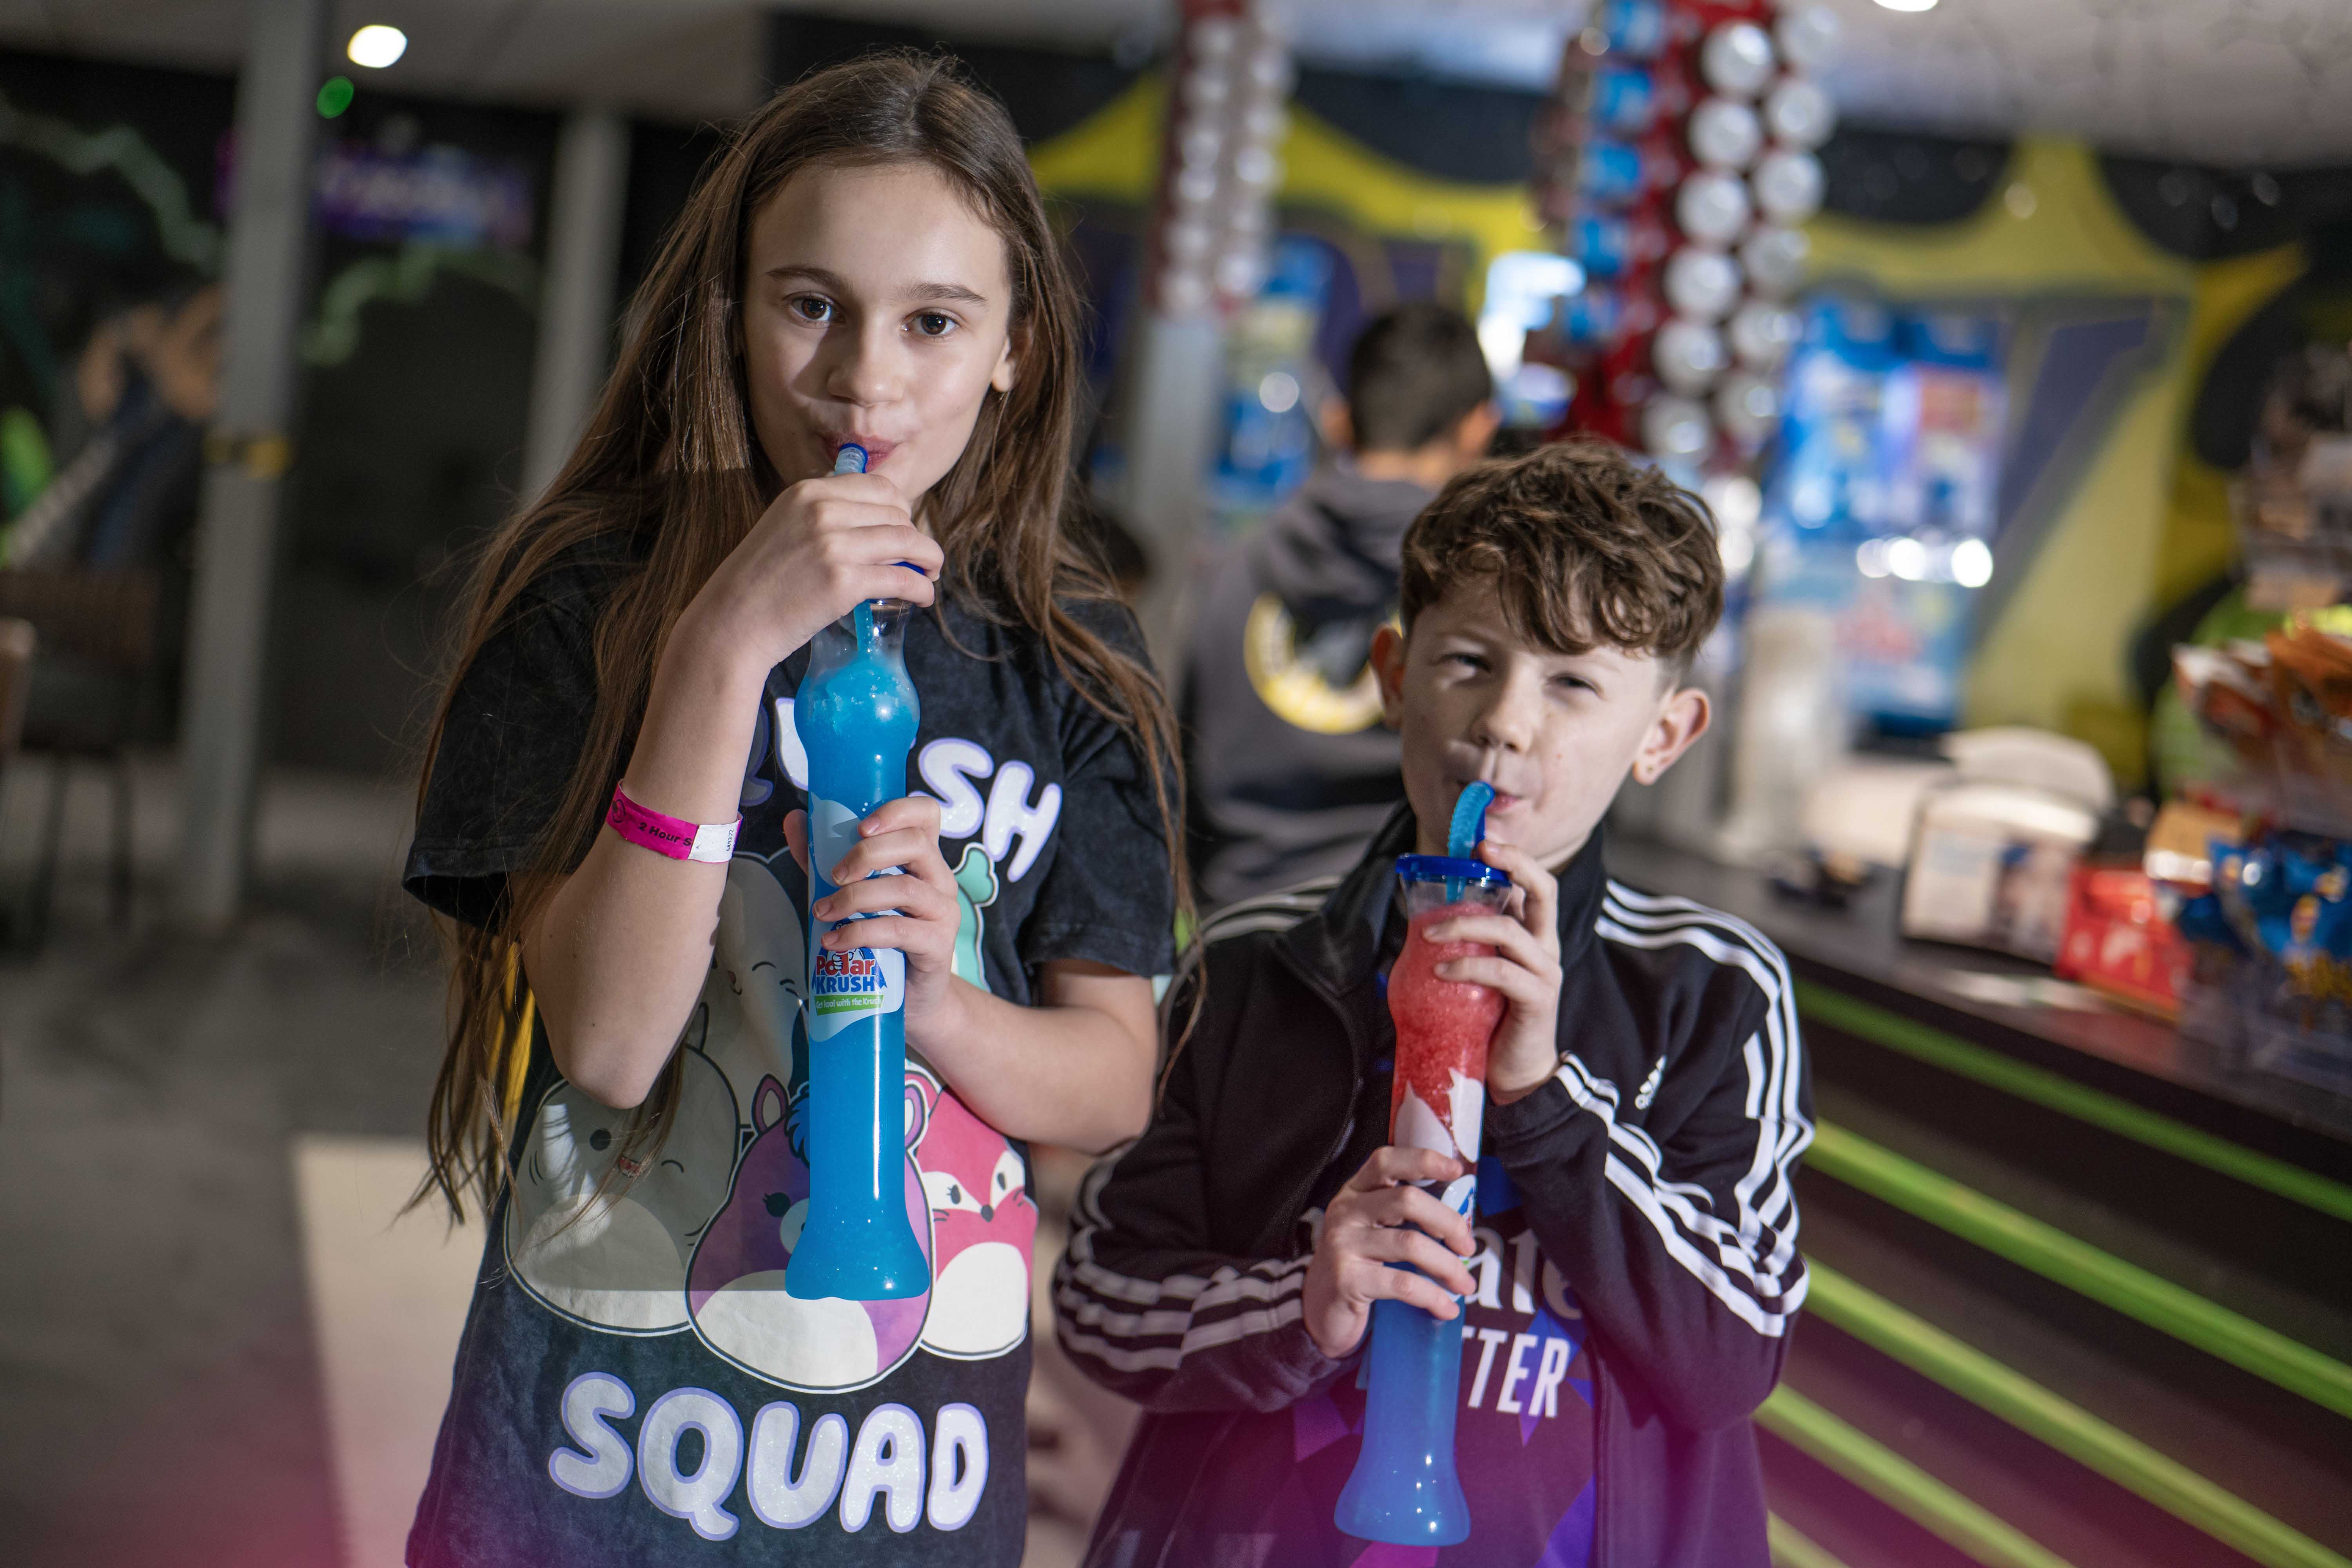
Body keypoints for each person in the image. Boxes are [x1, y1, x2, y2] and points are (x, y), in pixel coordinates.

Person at [401, 54, 1180, 1567]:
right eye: (812, 305)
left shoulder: (1075, 657)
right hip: (595, 1455)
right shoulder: (591, 601)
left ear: (1015, 348)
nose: (865, 382)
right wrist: (721, 645)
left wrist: (945, 1005)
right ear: (729, 315)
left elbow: (1112, 1084)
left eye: (935, 322)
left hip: (914, 1479)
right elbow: (612, 1043)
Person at [1056, 440, 1810, 1568]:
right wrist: (1300, 1304)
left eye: (1573, 683)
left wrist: (1543, 1099)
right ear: (1394, 674)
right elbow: (1101, 1300)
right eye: (1469, 660)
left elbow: (1732, 1353)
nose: (1506, 721)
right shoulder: (1256, 967)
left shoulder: (1711, 991)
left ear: (1663, 735)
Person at [1185, 301, 1499, 909]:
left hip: (1232, 918)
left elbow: (1176, 764)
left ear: (1339, 422)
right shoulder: (1479, 591)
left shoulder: (1232, 570)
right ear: (1476, 430)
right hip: (1395, 927)